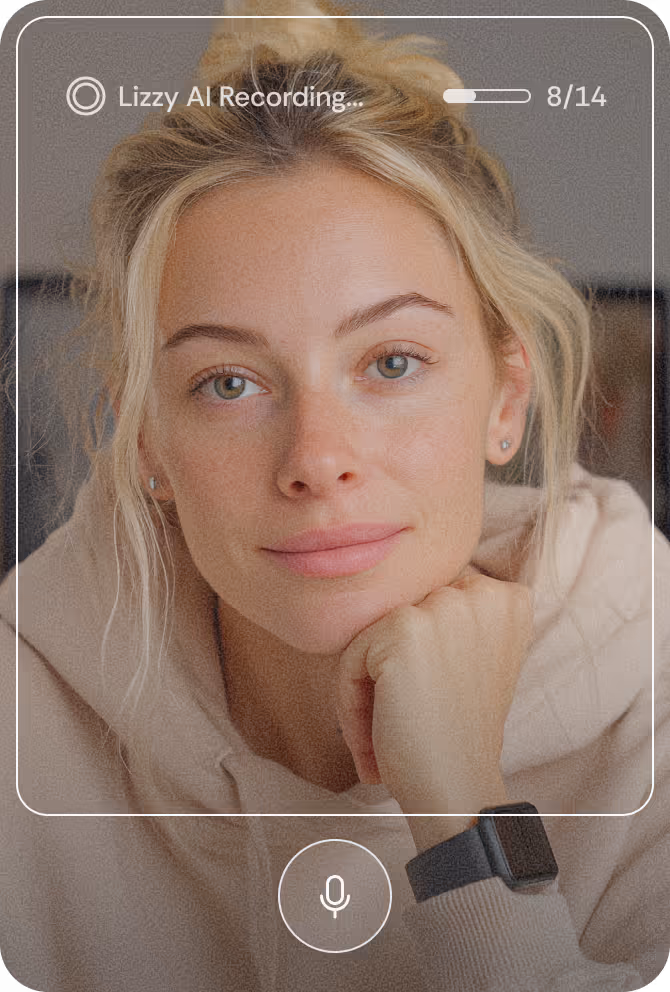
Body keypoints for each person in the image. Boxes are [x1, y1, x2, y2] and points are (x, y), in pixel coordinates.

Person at [1, 2, 668, 989]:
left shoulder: (652, 696)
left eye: (392, 362)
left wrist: (462, 810)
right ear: (145, 437)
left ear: (506, 398)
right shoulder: (21, 721)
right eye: (228, 382)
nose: (316, 459)